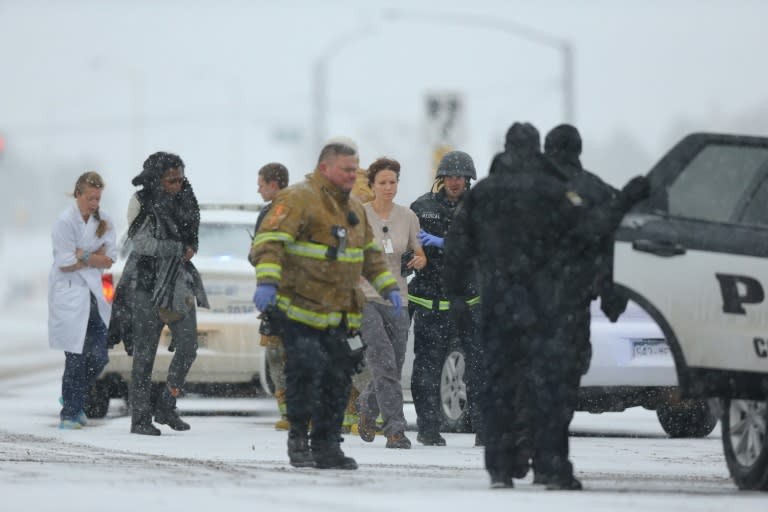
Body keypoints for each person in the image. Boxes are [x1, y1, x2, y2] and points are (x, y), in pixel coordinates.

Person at [444, 121, 650, 489]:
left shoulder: (483, 194)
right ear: (537, 150)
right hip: (544, 306)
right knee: (547, 387)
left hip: (498, 305)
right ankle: (551, 466)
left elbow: (456, 250)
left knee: (499, 385)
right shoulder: (554, 192)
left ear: (506, 148)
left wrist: (457, 297)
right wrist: (626, 199)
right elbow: (591, 230)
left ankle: (500, 467)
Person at [250, 140, 401, 469]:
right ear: (324, 168)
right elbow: (269, 242)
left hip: (340, 314)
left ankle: (327, 445)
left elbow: (370, 254)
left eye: (355, 168)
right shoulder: (298, 199)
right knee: (304, 377)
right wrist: (267, 282)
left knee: (338, 380)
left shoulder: (355, 209)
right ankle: (299, 442)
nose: (352, 174)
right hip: (299, 311)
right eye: (346, 169)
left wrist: (387, 286)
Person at [108, 151, 209, 436]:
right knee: (144, 355)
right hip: (145, 282)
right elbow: (141, 243)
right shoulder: (141, 201)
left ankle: (167, 404)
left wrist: (191, 247)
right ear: (156, 179)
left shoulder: (187, 200)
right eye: (171, 179)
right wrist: (176, 249)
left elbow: (192, 234)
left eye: (180, 178)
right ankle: (140, 419)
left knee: (188, 345)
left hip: (179, 281)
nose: (177, 184)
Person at [408, 150, 485, 447]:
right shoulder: (422, 207)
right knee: (425, 370)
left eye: (460, 177)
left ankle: (484, 429)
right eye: (450, 176)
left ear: (468, 179)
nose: (455, 182)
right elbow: (407, 244)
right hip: (432, 305)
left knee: (478, 369)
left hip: (469, 304)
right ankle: (428, 429)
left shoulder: (480, 207)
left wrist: (447, 243)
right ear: (441, 178)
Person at [356, 157, 426, 449]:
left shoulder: (408, 216)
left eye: (393, 182)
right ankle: (395, 429)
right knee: (383, 360)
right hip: (365, 297)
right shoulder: (358, 215)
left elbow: (418, 251)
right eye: (382, 182)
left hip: (397, 297)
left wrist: (420, 259)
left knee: (394, 365)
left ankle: (367, 404)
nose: (388, 187)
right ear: (371, 185)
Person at [48, 171, 117, 429]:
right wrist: (92, 257)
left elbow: (110, 258)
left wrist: (83, 255)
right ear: (78, 194)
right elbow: (64, 263)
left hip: (94, 296)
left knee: (100, 357)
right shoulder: (64, 222)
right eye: (90, 198)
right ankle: (69, 414)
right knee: (75, 357)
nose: (94, 204)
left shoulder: (105, 221)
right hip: (69, 295)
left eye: (98, 198)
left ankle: (72, 395)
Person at [249, 162, 291, 431]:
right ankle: (290, 411)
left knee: (283, 355)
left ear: (273, 185)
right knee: (279, 354)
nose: (258, 189)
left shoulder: (279, 213)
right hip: (281, 299)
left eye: (261, 184)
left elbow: (260, 253)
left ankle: (292, 411)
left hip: (286, 297)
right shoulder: (271, 213)